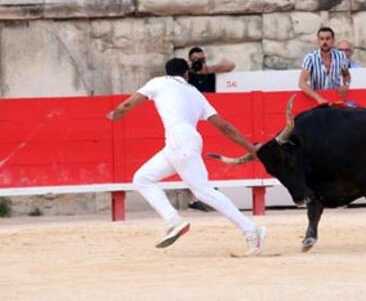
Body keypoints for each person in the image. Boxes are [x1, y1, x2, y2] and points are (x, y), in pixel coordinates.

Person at [106, 58, 265, 255]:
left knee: (204, 192)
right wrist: (251, 149)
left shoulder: (159, 82)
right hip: (182, 142)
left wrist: (115, 114)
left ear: (167, 72)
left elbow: (128, 104)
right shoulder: (195, 93)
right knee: (142, 178)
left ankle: (251, 230)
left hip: (179, 141)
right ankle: (174, 221)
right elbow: (226, 127)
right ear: (186, 74)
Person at [299, 27, 351, 104]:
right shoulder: (310, 57)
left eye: (327, 39)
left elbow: (346, 75)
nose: (324, 42)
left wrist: (346, 85)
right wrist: (318, 98)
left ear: (333, 40)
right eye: (322, 39)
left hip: (336, 99)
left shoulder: (341, 56)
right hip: (316, 100)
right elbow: (302, 83)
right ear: (318, 41)